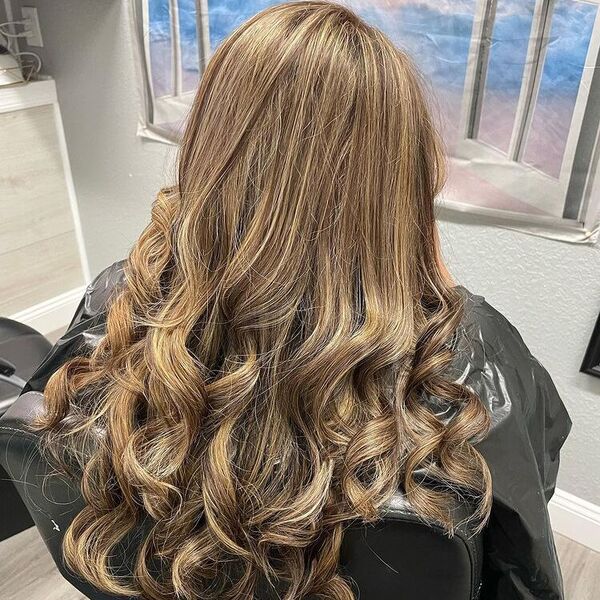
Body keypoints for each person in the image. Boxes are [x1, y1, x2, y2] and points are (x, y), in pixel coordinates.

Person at [0, 2, 571, 599]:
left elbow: (43, 441)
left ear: (209, 148)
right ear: (403, 176)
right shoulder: (475, 346)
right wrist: (424, 275)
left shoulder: (122, 295)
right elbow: (522, 552)